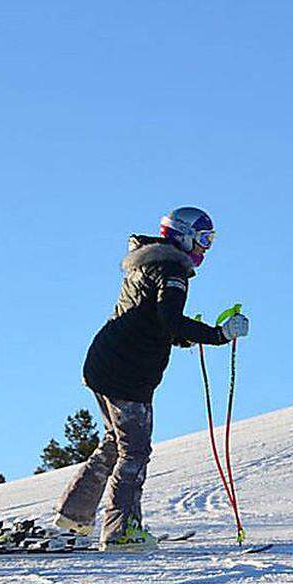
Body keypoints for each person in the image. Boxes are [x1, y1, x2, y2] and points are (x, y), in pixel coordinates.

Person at [53, 206, 249, 551]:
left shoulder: (149, 263)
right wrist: (218, 334)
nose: (206, 249)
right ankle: (121, 530)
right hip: (127, 373)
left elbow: (155, 321)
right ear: (183, 236)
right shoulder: (172, 269)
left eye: (211, 240)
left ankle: (75, 515)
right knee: (135, 451)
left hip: (106, 365)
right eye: (203, 239)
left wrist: (191, 333)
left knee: (116, 443)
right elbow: (170, 321)